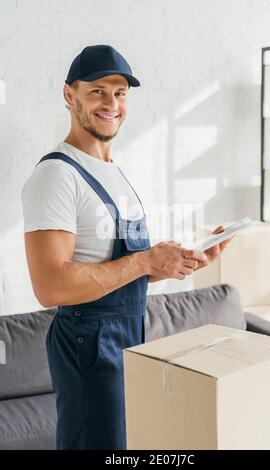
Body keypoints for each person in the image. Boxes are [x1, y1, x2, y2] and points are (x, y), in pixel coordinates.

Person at [21, 44, 230, 450]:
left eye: (120, 93)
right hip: (89, 347)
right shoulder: (55, 176)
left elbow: (123, 268)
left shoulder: (116, 173)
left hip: (131, 337)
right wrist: (146, 259)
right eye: (97, 90)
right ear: (70, 95)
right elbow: (50, 286)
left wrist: (175, 264)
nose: (111, 103)